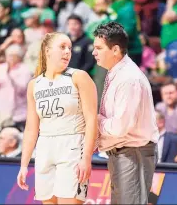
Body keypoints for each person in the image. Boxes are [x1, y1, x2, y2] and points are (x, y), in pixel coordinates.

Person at [17, 32, 97, 204]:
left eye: (69, 48)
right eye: (62, 47)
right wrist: (24, 165)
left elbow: (92, 120)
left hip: (72, 145)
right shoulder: (34, 84)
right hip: (45, 147)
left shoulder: (79, 77)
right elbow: (31, 128)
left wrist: (87, 158)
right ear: (47, 51)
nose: (68, 51)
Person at [92, 22, 159, 204]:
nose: (93, 52)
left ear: (115, 50)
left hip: (133, 153)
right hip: (124, 153)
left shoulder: (128, 79)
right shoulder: (117, 73)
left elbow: (120, 127)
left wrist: (95, 120)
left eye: (98, 48)